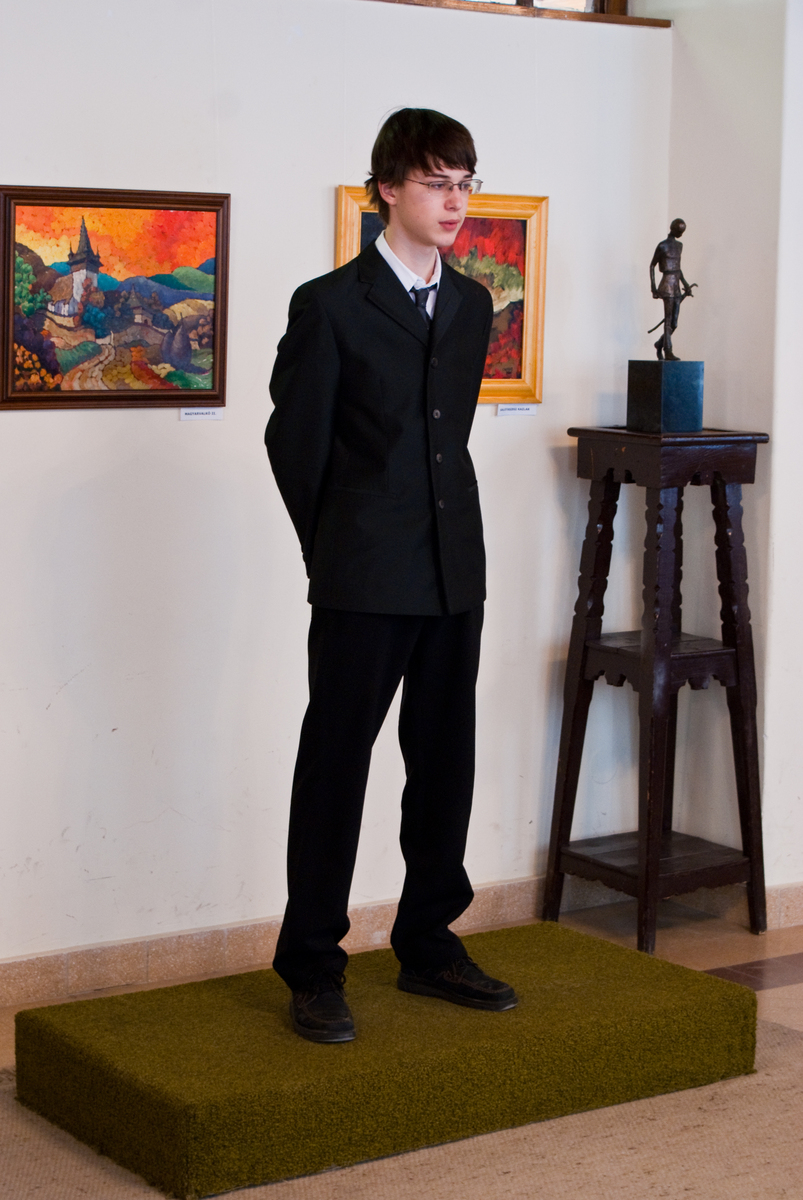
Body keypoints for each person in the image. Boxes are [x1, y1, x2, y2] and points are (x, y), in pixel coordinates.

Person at [265, 108, 518, 1043]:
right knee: (335, 765)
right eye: (435, 183)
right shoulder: (329, 304)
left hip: (454, 570)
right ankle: (311, 965)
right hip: (363, 575)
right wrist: (336, 550)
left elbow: (445, 439)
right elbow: (294, 446)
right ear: (386, 190)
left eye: (465, 183)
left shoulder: (472, 304)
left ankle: (429, 945)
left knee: (445, 762)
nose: (454, 201)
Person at [650, 218, 696, 361]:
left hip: (676, 285)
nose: (681, 234)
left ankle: (660, 343)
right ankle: (668, 350)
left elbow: (677, 269)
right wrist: (653, 288)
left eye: (683, 232)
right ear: (673, 229)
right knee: (668, 319)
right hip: (666, 285)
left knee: (674, 323)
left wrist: (685, 284)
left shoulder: (679, 246)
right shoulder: (662, 246)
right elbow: (652, 265)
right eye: (680, 231)